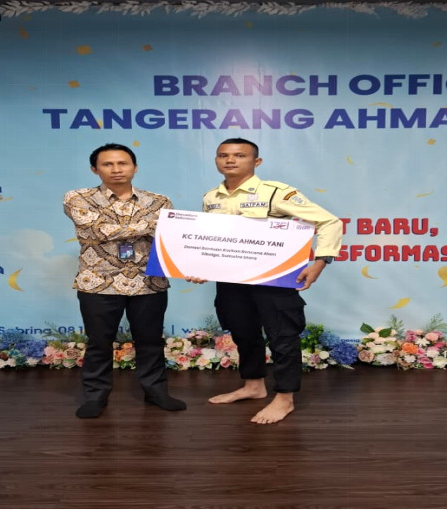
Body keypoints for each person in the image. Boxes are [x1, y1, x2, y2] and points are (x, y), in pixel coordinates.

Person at [186, 138, 343, 424]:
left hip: (274, 280)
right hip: (231, 280)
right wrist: (201, 266)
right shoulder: (211, 197)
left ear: (256, 162)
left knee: (283, 336)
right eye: (223, 155)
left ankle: (284, 398)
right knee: (243, 334)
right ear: (216, 160)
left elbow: (330, 222)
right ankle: (253, 386)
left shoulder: (276, 193)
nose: (230, 160)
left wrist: (321, 261)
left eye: (239, 155)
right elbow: (212, 240)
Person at [63, 143, 186, 419]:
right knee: (99, 342)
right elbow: (95, 232)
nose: (116, 169)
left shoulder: (159, 201)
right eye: (107, 164)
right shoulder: (78, 197)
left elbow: (168, 237)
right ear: (94, 169)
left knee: (150, 341)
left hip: (149, 282)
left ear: (135, 167)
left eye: (123, 163)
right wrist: (149, 226)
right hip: (98, 282)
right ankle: (95, 396)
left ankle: (156, 391)